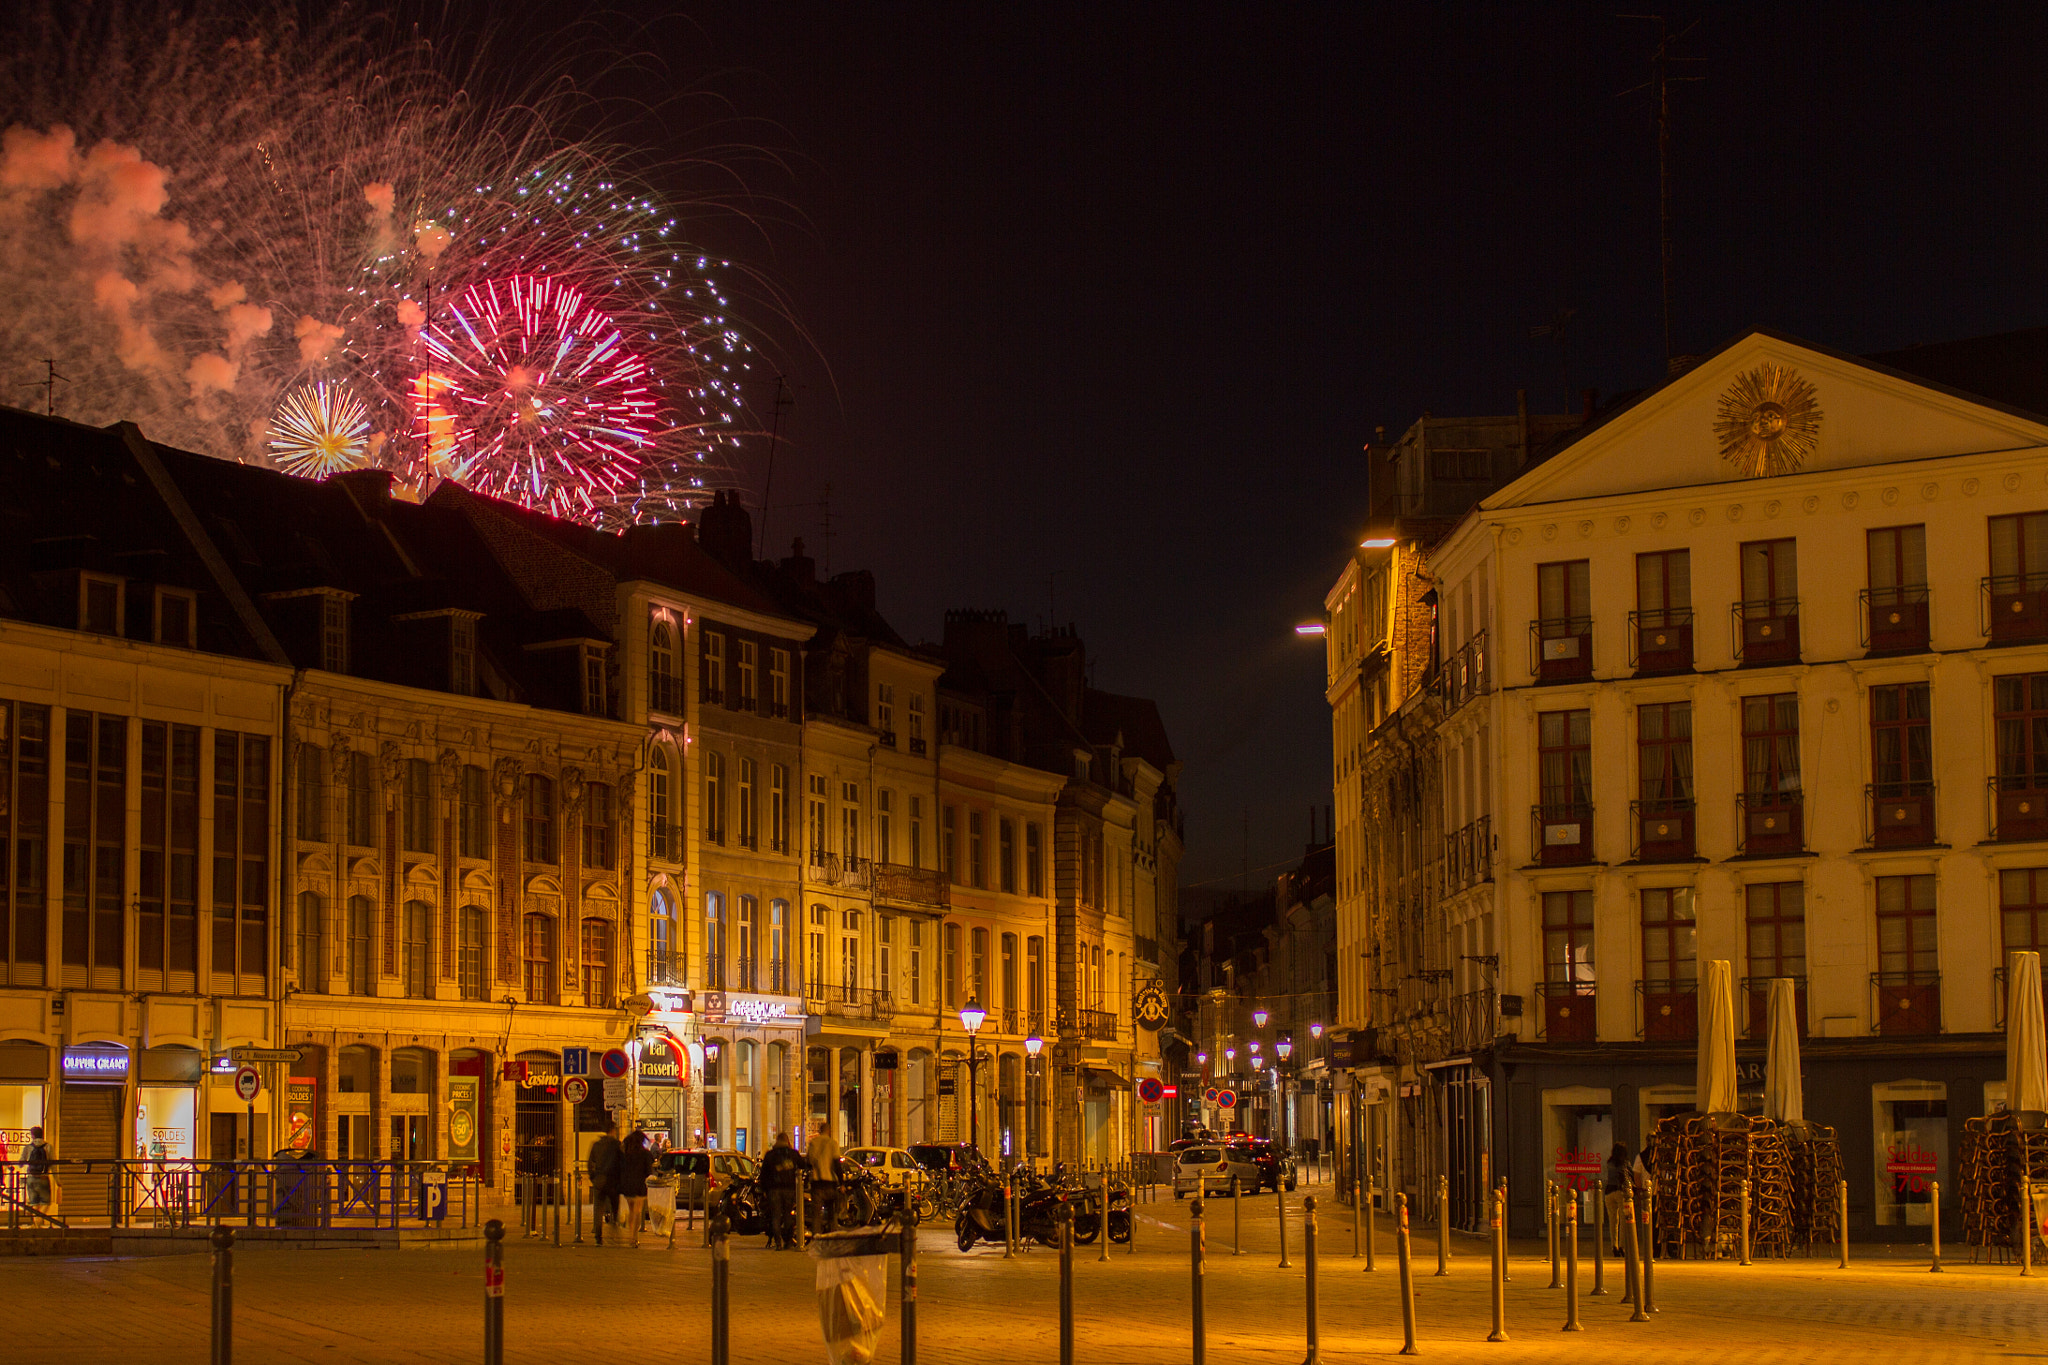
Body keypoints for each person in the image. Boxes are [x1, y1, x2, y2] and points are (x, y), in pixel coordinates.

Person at [760, 1131, 802, 1249]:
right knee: (788, 1215)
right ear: (787, 1141)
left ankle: (778, 1242)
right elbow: (803, 1164)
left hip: (773, 1189)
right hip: (789, 1188)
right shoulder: (793, 1154)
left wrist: (764, 1189)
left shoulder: (770, 1155)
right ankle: (787, 1241)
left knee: (776, 1216)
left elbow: (763, 1174)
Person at [587, 1120, 623, 1245]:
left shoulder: (596, 1144)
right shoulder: (617, 1144)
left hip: (599, 1180)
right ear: (613, 1130)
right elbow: (621, 1163)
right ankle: (614, 1230)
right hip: (613, 1180)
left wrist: (593, 1177)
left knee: (598, 1209)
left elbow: (590, 1164)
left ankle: (598, 1237)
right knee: (615, 1207)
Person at [618, 1127, 653, 1248]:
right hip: (639, 1185)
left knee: (631, 1210)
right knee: (638, 1211)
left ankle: (630, 1235)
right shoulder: (645, 1154)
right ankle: (634, 1237)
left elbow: (620, 1168)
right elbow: (649, 1171)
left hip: (627, 1185)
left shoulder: (625, 1154)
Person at [806, 1120, 841, 1234]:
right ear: (829, 1131)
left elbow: (808, 1162)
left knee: (816, 1214)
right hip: (830, 1182)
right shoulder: (832, 1143)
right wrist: (842, 1182)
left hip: (817, 1182)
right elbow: (837, 1164)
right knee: (832, 1212)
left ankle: (817, 1237)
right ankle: (832, 1235)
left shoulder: (813, 1143)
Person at [1603, 1142, 1632, 1253]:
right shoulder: (1625, 1163)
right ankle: (1621, 1246)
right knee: (1624, 1221)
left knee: (1613, 1221)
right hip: (1621, 1192)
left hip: (1609, 1192)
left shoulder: (1608, 1163)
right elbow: (1630, 1175)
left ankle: (1613, 1245)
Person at [23, 1126, 53, 1213]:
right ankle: (38, 1223)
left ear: (32, 1135)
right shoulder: (48, 1147)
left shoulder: (28, 1147)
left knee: (34, 1203)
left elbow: (21, 1162)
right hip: (43, 1177)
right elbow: (53, 1164)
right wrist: (57, 1180)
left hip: (31, 1177)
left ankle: (36, 1224)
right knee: (45, 1203)